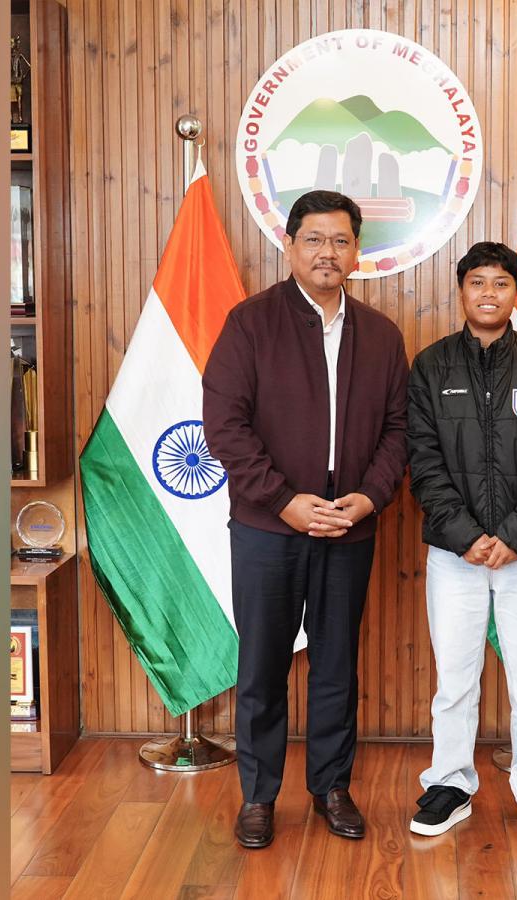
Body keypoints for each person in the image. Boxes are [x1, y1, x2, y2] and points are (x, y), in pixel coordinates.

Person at [202, 190, 409, 850]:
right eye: (314, 239)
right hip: (268, 528)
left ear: (357, 252)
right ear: (289, 245)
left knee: (336, 666)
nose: (328, 252)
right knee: (262, 667)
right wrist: (283, 500)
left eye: (340, 240)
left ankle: (331, 787)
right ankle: (259, 796)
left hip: (349, 526)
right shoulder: (249, 324)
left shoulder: (381, 335)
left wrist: (369, 497)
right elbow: (225, 427)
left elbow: (399, 431)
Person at [405, 241, 517, 845]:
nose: (488, 293)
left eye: (500, 283)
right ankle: (450, 785)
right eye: (477, 281)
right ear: (461, 290)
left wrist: (512, 537)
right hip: (455, 555)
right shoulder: (431, 366)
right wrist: (467, 537)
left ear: (515, 292)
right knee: (455, 679)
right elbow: (422, 462)